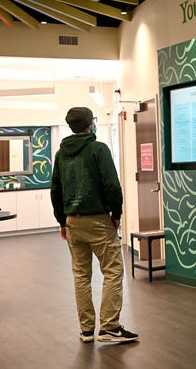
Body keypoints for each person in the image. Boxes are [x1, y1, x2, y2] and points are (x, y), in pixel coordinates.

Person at [50, 106, 138, 344]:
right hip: (98, 220)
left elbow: (56, 190)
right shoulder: (98, 149)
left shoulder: (61, 154)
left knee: (80, 275)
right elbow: (112, 185)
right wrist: (117, 214)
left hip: (72, 222)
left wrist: (62, 221)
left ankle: (86, 330)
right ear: (90, 124)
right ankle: (110, 327)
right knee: (113, 270)